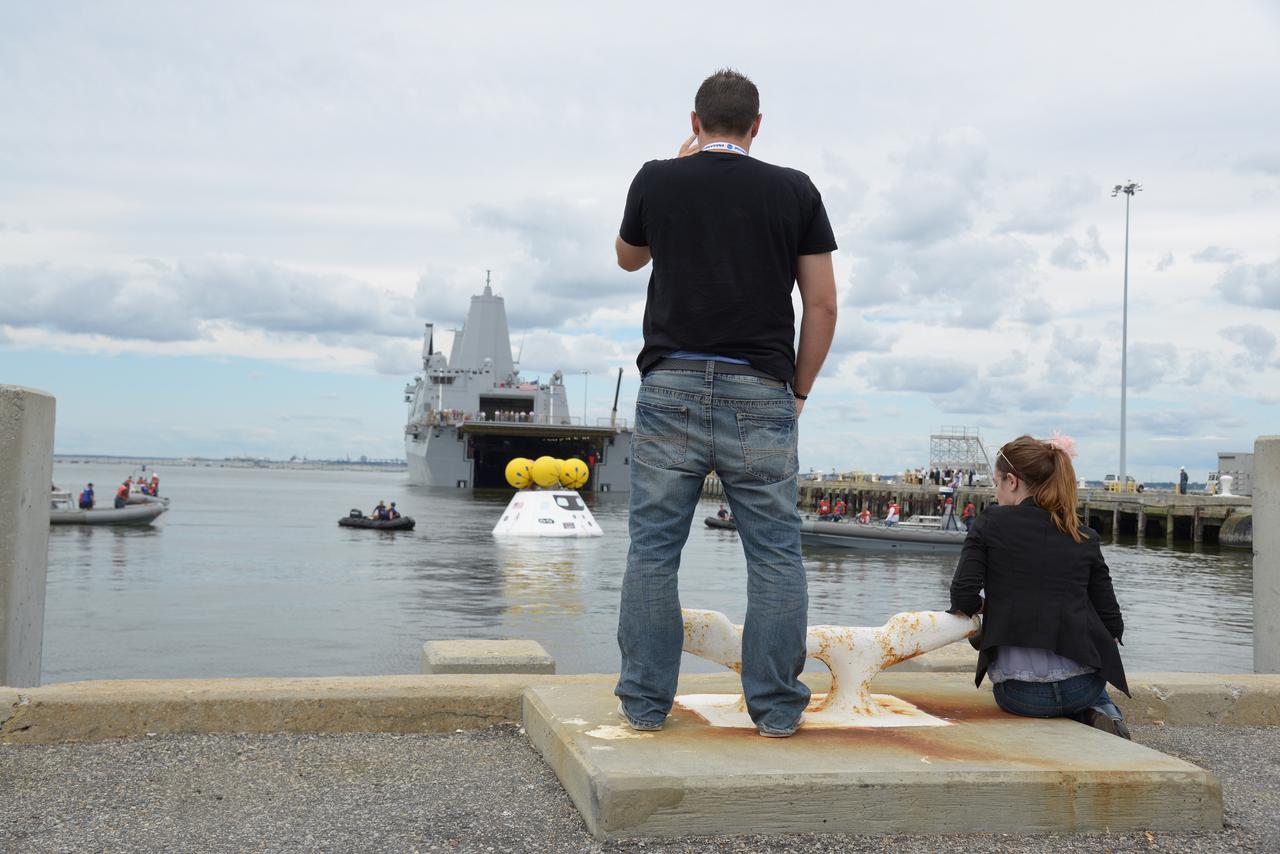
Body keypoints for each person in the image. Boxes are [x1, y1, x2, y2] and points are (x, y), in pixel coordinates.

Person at [612, 68, 838, 738]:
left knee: (653, 549)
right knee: (774, 553)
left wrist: (676, 172)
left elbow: (628, 259)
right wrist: (797, 388)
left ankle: (646, 707)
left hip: (671, 383)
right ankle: (773, 709)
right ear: (758, 125)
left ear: (694, 121)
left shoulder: (656, 178)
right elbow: (821, 303)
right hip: (760, 386)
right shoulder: (795, 190)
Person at [949, 434, 1131, 739]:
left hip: (1019, 695)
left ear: (1012, 481)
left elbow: (963, 597)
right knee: (1088, 671)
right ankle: (1101, 708)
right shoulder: (1081, 533)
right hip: (1082, 687)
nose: (996, 493)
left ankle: (1091, 707)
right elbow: (1112, 621)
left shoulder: (990, 522)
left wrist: (990, 608)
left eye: (996, 483)